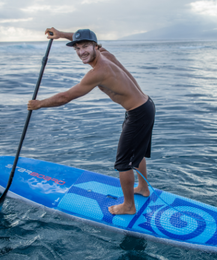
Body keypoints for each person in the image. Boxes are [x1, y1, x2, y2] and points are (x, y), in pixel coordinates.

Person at [27, 27, 155, 215]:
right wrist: (61, 34)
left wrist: (39, 104)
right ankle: (143, 188)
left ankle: (128, 206)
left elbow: (65, 97)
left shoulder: (98, 72)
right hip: (145, 105)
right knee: (137, 151)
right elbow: (83, 40)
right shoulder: (105, 54)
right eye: (77, 48)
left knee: (123, 163)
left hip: (139, 113)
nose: (81, 52)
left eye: (85, 47)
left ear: (95, 46)